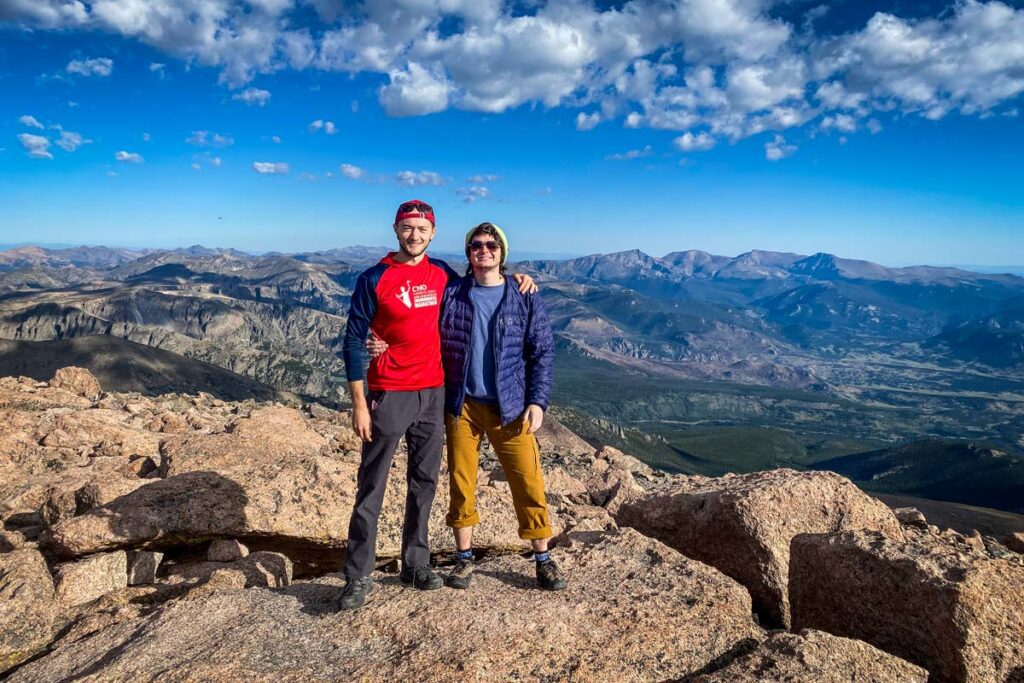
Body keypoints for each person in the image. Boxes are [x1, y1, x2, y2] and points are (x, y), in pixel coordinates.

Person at [339, 201, 536, 611]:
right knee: (372, 486)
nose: (414, 235)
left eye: (421, 229)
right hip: (389, 392)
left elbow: (483, 282)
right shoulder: (374, 278)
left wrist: (519, 279)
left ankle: (414, 563)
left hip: (435, 394)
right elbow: (354, 341)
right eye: (407, 228)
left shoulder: (443, 274)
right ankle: (357, 576)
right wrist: (359, 404)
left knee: (424, 484)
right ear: (396, 230)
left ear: (432, 232)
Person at [439, 222, 565, 591]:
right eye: (476, 245)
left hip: (509, 407)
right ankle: (463, 559)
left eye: (491, 245)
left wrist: (537, 401)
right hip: (462, 405)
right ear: (468, 253)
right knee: (462, 482)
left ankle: (542, 557)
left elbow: (541, 352)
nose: (484, 250)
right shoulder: (452, 292)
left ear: (502, 253)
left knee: (528, 480)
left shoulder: (522, 295)